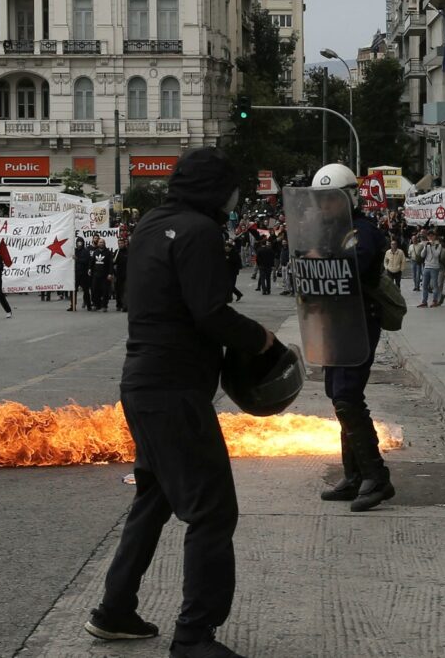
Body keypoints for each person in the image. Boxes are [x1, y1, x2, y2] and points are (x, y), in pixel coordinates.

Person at [86, 148, 274, 658]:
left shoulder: (152, 223)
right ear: (215, 189)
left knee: (155, 498)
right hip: (173, 391)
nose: (235, 198)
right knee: (212, 512)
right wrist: (264, 341)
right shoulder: (199, 232)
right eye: (231, 188)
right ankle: (194, 637)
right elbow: (211, 313)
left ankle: (114, 611)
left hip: (142, 384)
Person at [310, 164, 396, 513]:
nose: (325, 206)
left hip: (359, 322)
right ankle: (354, 475)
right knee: (337, 394)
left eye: (331, 199)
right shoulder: (328, 232)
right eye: (321, 200)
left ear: (348, 197)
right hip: (335, 322)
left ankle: (377, 477)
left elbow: (351, 268)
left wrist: (322, 258)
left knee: (347, 395)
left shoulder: (361, 231)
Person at [416, 232, 444, 308]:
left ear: (435, 237)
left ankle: (435, 301)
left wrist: (432, 246)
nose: (430, 238)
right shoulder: (426, 245)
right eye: (429, 236)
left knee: (434, 285)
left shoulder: (438, 245)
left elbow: (436, 255)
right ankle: (424, 301)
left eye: (432, 236)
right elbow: (422, 255)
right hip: (426, 266)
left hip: (435, 267)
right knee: (424, 285)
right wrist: (425, 247)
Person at [90, 237, 113, 312]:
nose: (101, 243)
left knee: (105, 291)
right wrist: (89, 269)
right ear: (98, 243)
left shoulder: (108, 252)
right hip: (96, 275)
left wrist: (110, 273)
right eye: (100, 242)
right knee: (95, 290)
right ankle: (96, 305)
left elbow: (110, 264)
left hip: (105, 275)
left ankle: (104, 306)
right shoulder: (95, 252)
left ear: (104, 244)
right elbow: (92, 262)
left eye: (102, 242)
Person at [113, 237, 130, 311]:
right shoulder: (117, 251)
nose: (120, 245)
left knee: (126, 291)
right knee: (118, 290)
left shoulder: (128, 251)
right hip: (118, 275)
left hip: (127, 274)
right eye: (119, 243)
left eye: (121, 243)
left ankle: (125, 306)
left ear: (125, 243)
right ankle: (118, 304)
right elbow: (113, 262)